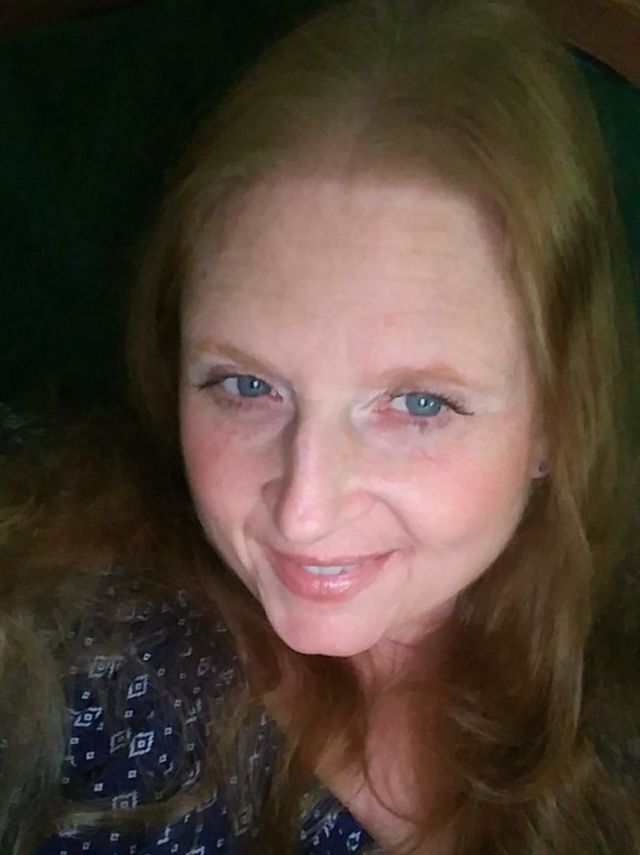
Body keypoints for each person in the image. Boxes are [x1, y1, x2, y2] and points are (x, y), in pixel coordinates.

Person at [1, 0, 639, 852]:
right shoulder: (61, 635)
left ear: (555, 416)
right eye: (245, 385)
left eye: (418, 403)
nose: (303, 511)